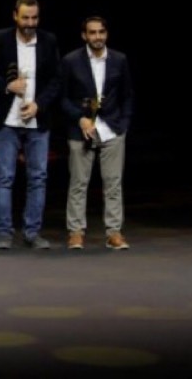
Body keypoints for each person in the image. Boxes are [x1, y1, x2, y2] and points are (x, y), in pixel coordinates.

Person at [0, 0, 61, 250]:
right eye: (25, 17)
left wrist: (39, 105)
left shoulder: (48, 41)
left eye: (34, 18)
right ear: (15, 16)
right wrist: (7, 86)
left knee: (38, 177)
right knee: (4, 177)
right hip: (6, 121)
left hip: (37, 121)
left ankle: (32, 232)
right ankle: (3, 232)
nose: (30, 23)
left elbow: (56, 80)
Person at [60, 16, 135, 251]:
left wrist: (123, 124)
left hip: (112, 128)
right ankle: (76, 232)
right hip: (81, 130)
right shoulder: (71, 61)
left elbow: (127, 95)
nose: (97, 37)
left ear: (106, 34)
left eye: (101, 32)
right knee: (78, 183)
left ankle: (114, 233)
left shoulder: (119, 59)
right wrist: (80, 118)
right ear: (84, 35)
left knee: (113, 183)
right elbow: (63, 98)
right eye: (92, 33)